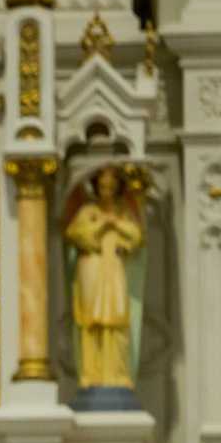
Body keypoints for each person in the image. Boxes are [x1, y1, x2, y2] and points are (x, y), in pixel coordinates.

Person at [65, 166, 144, 390]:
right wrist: (101, 225)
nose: (106, 191)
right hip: (91, 266)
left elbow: (136, 236)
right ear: (96, 188)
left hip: (114, 266)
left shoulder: (123, 212)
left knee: (116, 318)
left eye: (111, 187)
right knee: (91, 321)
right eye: (102, 187)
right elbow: (74, 234)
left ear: (118, 188)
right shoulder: (88, 210)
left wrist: (116, 223)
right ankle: (91, 373)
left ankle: (117, 373)